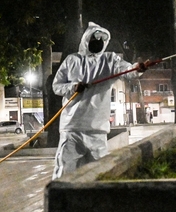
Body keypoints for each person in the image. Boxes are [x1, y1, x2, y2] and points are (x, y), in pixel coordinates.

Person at [52, 22, 145, 180]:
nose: (99, 42)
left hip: (97, 130)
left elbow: (128, 71)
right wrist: (73, 87)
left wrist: (139, 68)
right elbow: (56, 86)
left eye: (102, 39)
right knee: (64, 171)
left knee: (100, 173)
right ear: (86, 39)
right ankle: (61, 202)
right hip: (72, 128)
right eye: (95, 39)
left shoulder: (110, 60)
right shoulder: (72, 60)